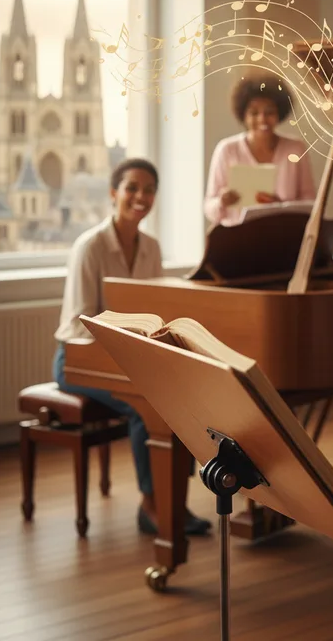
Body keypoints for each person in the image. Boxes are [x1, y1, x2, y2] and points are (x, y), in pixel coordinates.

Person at [54, 158, 211, 536]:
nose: (141, 196)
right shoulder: (88, 246)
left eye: (149, 190)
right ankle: (152, 506)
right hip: (78, 362)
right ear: (114, 193)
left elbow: (152, 312)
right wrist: (127, 337)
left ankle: (176, 501)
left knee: (182, 401)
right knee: (148, 407)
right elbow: (78, 323)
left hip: (129, 361)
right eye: (132, 188)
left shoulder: (151, 248)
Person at [204, 76, 317, 226]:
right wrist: (222, 201)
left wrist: (280, 207)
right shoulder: (227, 150)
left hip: (282, 236)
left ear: (279, 114)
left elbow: (310, 204)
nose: (262, 119)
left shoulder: (295, 148)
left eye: (269, 112)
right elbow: (209, 208)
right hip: (236, 238)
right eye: (254, 113)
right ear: (244, 116)